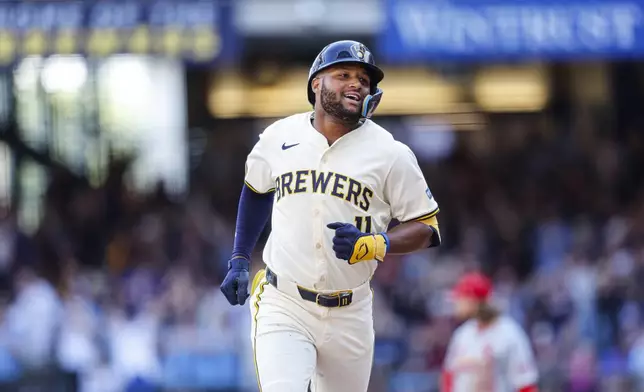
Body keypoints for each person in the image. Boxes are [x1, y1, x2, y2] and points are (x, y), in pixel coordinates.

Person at [220, 40, 442, 392]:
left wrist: (375, 244)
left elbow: (427, 228)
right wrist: (239, 258)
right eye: (343, 75)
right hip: (285, 301)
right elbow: (256, 190)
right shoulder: (279, 136)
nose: (356, 83)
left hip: (350, 310)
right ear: (316, 84)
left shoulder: (391, 153)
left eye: (364, 80)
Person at [441, 272, 539, 392]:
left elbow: (525, 384)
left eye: (461, 298)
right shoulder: (462, 334)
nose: (456, 303)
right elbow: (448, 376)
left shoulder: (509, 334)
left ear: (474, 301)